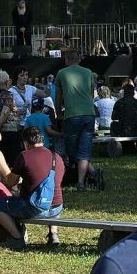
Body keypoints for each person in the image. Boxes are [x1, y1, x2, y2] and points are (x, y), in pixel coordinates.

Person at [0, 127, 65, 245]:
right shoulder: (56, 157)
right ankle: (53, 233)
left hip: (34, 207)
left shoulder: (22, 156)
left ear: (25, 142)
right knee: (43, 198)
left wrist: (19, 179)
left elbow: (10, 180)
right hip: (57, 208)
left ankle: (17, 238)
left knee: (0, 205)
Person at [53, 48, 98, 190]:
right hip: (89, 114)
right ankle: (83, 181)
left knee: (72, 150)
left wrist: (58, 113)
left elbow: (58, 96)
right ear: (79, 59)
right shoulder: (89, 73)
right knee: (84, 149)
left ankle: (91, 174)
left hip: (72, 114)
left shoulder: (61, 73)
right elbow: (91, 95)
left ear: (67, 60)